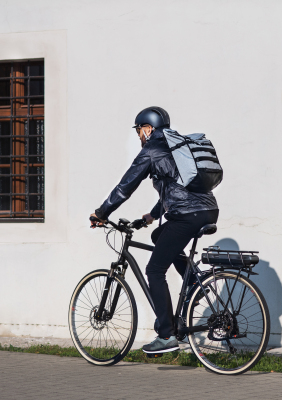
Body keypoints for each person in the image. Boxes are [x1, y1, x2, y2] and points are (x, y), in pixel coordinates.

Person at [90, 106, 219, 355]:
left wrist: (101, 213)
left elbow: (125, 186)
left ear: (148, 128)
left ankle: (166, 335)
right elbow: (178, 188)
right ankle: (193, 279)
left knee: (154, 269)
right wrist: (152, 215)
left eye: (139, 130)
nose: (139, 136)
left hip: (186, 216)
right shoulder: (177, 146)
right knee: (158, 235)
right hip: (207, 210)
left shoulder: (152, 149)